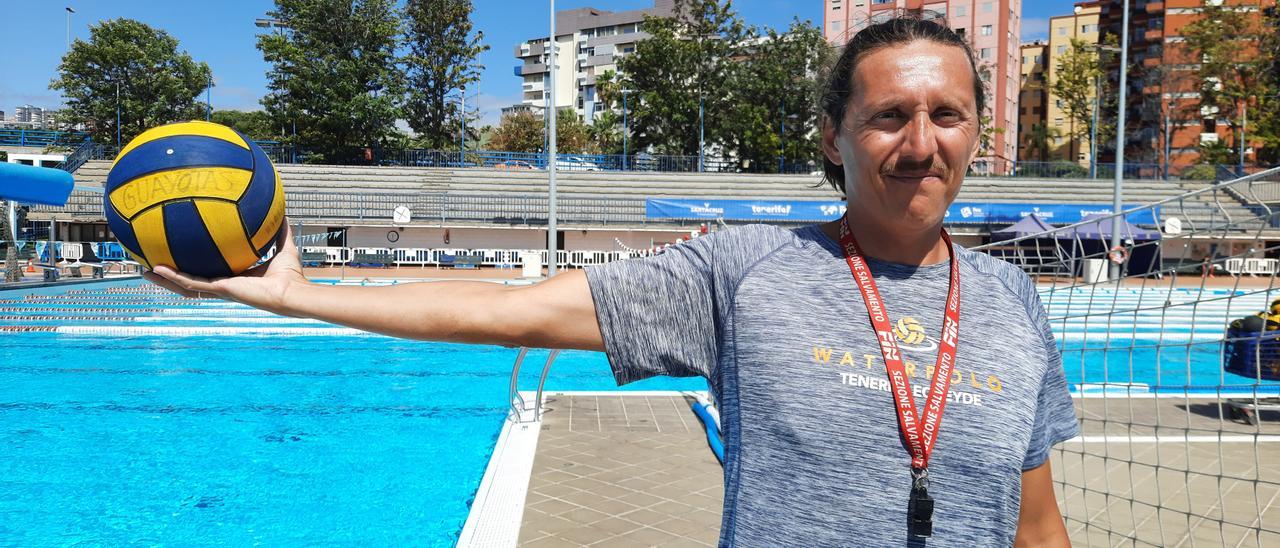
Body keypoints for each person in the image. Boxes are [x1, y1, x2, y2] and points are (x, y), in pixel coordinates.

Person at [147, 17, 1077, 547]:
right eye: (887, 117)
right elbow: (509, 311)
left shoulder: (1012, 303)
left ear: (975, 134)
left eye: (945, 114)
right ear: (834, 137)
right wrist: (291, 295)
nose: (921, 143)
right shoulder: (745, 271)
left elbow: (1035, 525)